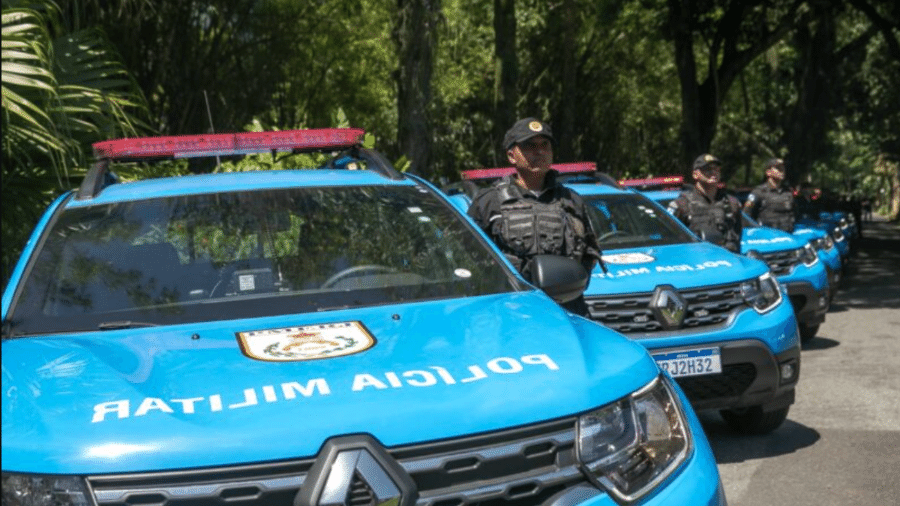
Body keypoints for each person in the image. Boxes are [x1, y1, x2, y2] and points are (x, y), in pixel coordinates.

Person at [467, 117, 600, 315]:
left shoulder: (572, 201)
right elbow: (468, 258)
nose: (540, 152)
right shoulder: (489, 202)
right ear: (512, 156)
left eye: (545, 145)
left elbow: (590, 255)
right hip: (511, 312)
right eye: (530, 146)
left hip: (566, 311)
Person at [668, 153, 743, 253]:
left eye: (716, 169)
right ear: (695, 174)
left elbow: (737, 237)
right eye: (707, 169)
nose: (713, 172)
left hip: (730, 262)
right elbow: (670, 239)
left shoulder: (732, 203)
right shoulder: (681, 204)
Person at [743, 157, 796, 232]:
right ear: (768, 172)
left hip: (788, 237)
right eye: (778, 168)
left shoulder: (788, 192)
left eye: (783, 168)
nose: (782, 171)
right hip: (768, 238)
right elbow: (746, 216)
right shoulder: (759, 192)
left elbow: (795, 214)